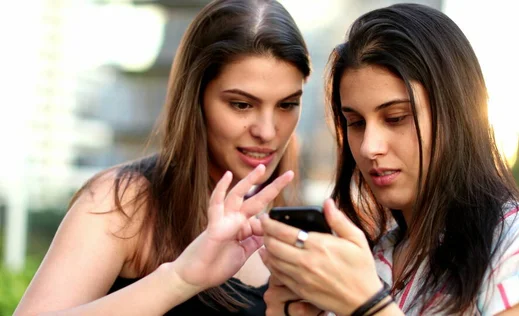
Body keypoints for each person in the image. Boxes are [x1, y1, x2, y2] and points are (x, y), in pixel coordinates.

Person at [259, 3, 519, 316]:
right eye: (356, 123)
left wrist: (369, 307)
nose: (369, 147)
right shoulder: (373, 259)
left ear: (457, 114)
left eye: (396, 118)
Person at [15, 0, 311, 315]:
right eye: (241, 105)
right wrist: (179, 280)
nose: (267, 131)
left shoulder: (284, 219)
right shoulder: (122, 203)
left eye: (286, 104)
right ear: (195, 99)